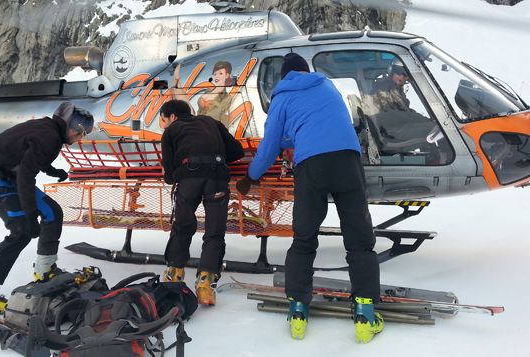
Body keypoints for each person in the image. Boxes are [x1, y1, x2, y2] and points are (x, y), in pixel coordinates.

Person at [236, 53, 383, 343]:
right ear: (306, 70)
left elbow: (270, 145)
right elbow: (328, 123)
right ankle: (365, 314)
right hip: (347, 160)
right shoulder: (327, 86)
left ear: (284, 76)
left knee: (304, 237)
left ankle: (299, 310)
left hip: (311, 166)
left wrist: (251, 176)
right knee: (359, 236)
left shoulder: (282, 97)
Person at [0, 102, 94, 313]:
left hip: (8, 174)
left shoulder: (50, 130)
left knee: (52, 212)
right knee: (21, 229)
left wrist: (51, 171)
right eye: (82, 133)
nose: (82, 138)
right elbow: (26, 175)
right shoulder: (50, 136)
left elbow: (27, 154)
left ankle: (45, 270)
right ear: (72, 127)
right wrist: (32, 216)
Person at [159, 99, 244, 306]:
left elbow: (169, 175)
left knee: (183, 226)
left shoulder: (171, 131)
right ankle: (205, 284)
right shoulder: (212, 122)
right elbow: (237, 151)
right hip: (216, 178)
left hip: (189, 179)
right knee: (214, 231)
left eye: (163, 119)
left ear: (172, 117)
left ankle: (174, 275)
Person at [171, 61, 235, 128]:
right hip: (198, 126)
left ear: (227, 75)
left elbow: (223, 118)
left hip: (210, 129)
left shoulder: (226, 97)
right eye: (215, 74)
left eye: (220, 73)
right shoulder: (208, 91)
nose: (217, 76)